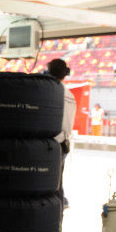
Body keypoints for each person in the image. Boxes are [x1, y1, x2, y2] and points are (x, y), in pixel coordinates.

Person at [47, 58, 76, 209]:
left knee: (48, 184)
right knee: (57, 182)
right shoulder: (70, 95)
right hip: (64, 144)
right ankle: (58, 216)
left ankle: (53, 212)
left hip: (50, 145)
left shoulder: (48, 92)